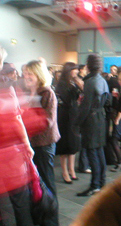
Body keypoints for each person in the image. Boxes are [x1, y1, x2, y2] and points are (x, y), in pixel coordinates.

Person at [0, 47, 35, 226]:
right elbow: (16, 118)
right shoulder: (5, 86)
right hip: (9, 147)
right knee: (20, 199)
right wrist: (27, 144)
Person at [24, 60, 60, 225]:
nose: (26, 76)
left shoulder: (46, 93)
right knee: (39, 182)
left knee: (47, 182)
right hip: (34, 143)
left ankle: (52, 220)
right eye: (25, 73)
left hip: (44, 144)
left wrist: (23, 121)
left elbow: (48, 121)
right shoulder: (32, 92)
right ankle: (43, 216)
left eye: (30, 73)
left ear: (39, 75)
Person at [75, 54, 109, 197]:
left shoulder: (90, 82)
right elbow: (108, 101)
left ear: (88, 66)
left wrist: (76, 123)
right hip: (101, 118)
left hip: (91, 120)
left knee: (92, 152)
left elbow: (86, 106)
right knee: (99, 151)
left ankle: (95, 185)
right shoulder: (101, 80)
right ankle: (101, 182)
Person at [55, 62, 83, 184]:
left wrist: (79, 86)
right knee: (65, 145)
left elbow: (81, 95)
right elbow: (67, 99)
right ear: (69, 70)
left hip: (74, 114)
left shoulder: (73, 82)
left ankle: (72, 170)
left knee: (73, 144)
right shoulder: (62, 84)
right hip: (65, 116)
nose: (77, 72)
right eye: (74, 69)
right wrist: (76, 88)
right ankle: (65, 172)